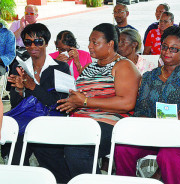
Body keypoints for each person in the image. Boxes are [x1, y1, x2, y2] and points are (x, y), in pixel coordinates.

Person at [115, 26, 180, 184]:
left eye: (173, 49)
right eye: (164, 47)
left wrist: (163, 128)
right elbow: (141, 109)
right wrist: (153, 130)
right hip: (151, 135)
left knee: (167, 155)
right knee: (123, 150)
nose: (166, 52)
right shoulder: (150, 76)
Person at [56, 23, 141, 181]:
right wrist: (72, 100)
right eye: (89, 42)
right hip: (80, 122)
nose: (89, 46)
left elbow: (127, 103)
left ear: (110, 44)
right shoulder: (89, 67)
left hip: (108, 123)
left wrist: (85, 102)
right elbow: (84, 96)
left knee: (77, 147)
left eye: (95, 42)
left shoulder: (123, 66)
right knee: (47, 146)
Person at [2, 23, 71, 183]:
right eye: (28, 42)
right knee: (15, 155)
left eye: (38, 41)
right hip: (25, 124)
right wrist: (20, 90)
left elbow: (59, 104)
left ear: (46, 43)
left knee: (52, 161)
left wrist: (33, 86)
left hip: (50, 124)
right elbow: (16, 106)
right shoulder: (19, 67)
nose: (33, 46)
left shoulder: (60, 68)